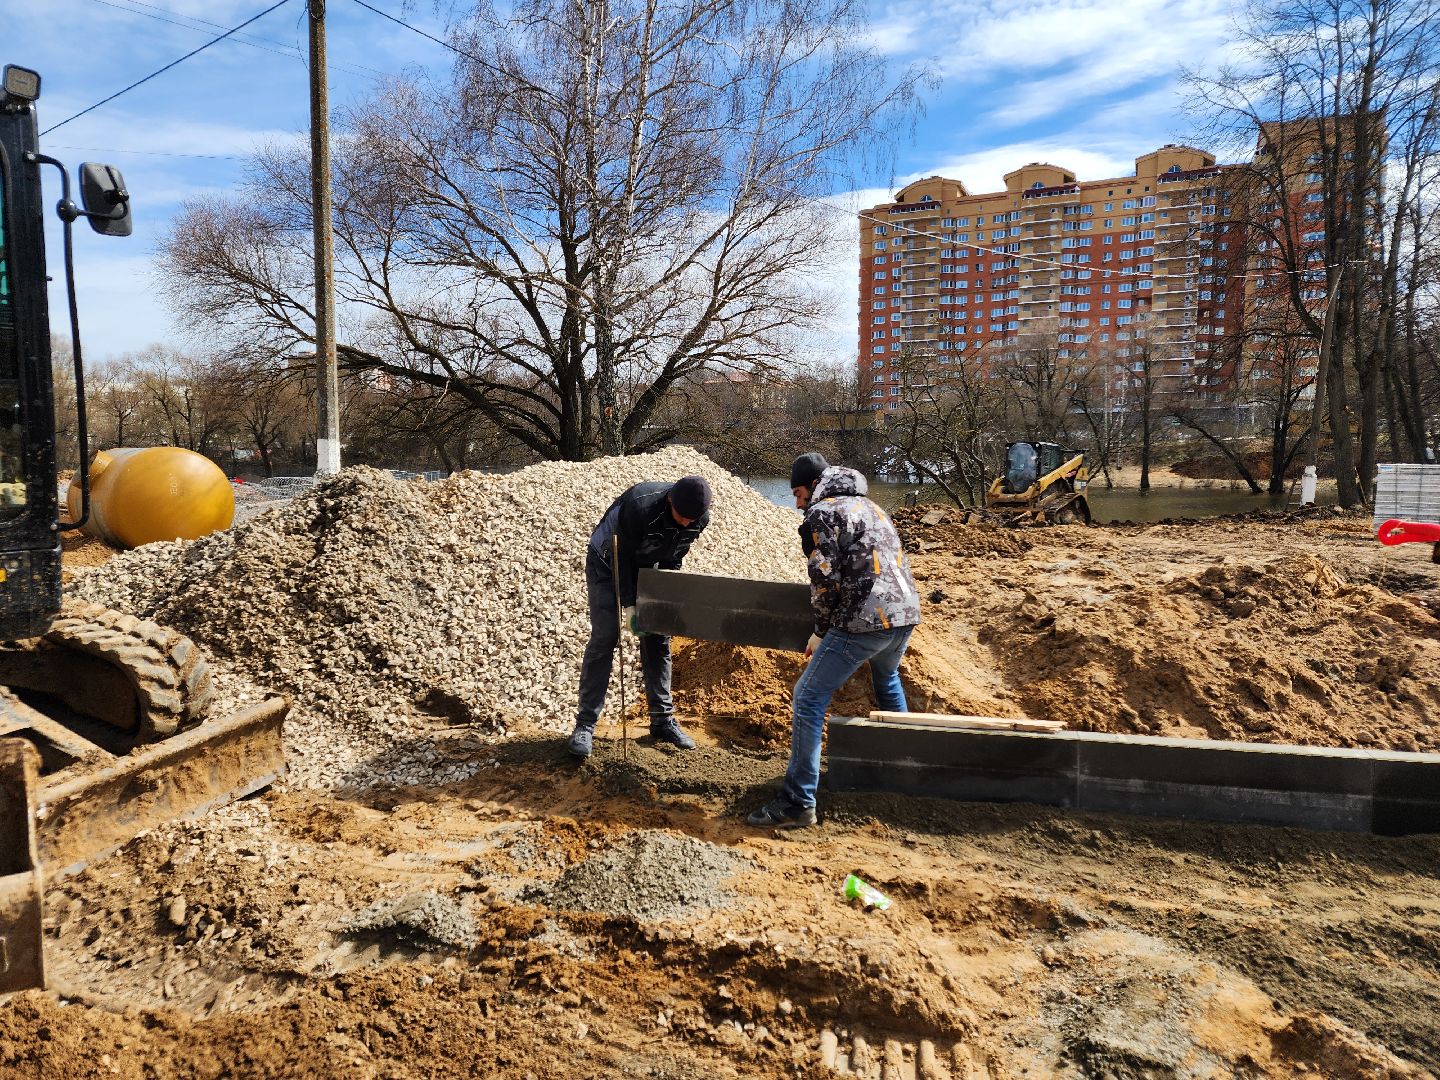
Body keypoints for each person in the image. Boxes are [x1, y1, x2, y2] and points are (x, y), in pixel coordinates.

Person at [747, 454, 920, 827]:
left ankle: (797, 802)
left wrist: (821, 632)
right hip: (904, 614)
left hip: (864, 620)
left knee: (807, 697)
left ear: (814, 486)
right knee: (887, 680)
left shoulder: (822, 513)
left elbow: (824, 579)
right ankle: (903, 774)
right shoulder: (871, 506)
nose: (797, 503)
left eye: (798, 493)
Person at [568, 475, 713, 758]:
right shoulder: (639, 506)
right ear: (670, 500)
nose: (687, 523)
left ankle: (662, 720)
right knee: (606, 636)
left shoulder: (698, 518)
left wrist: (663, 596)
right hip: (606, 561)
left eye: (692, 520)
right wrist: (630, 606)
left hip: (648, 566)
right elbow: (620, 559)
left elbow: (673, 557)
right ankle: (584, 725)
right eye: (682, 517)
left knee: (658, 636)